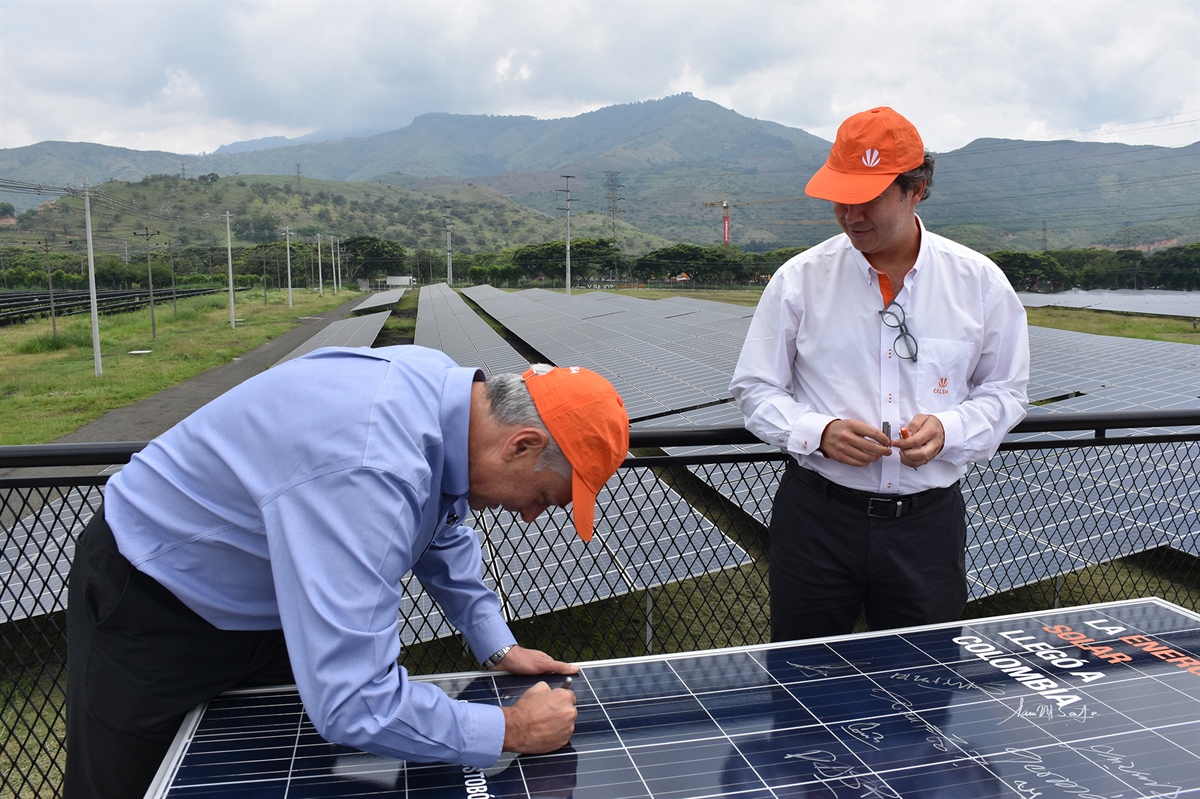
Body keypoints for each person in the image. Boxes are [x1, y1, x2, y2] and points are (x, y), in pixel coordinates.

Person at [65, 344, 629, 799]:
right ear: (521, 444)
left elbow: (444, 524)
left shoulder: (443, 396)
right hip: (152, 601)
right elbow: (355, 701)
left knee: (267, 774)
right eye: (545, 496)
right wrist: (510, 730)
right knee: (128, 782)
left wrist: (496, 645)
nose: (531, 514)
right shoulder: (369, 467)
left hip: (266, 607)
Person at [729, 106, 1029, 642]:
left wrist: (952, 429)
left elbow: (1006, 391)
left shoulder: (978, 283)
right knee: (803, 677)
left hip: (926, 526)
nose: (851, 215)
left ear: (917, 188)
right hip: (818, 518)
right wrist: (817, 432)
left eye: (868, 197)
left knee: (926, 677)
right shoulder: (800, 280)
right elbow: (754, 387)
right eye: (841, 199)